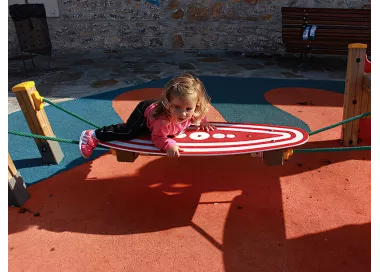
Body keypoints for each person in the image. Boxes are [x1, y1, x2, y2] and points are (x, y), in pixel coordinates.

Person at [79, 73, 215, 158]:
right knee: (130, 132)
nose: (183, 113)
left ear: (195, 106)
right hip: (145, 113)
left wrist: (204, 122)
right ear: (168, 103)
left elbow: (200, 114)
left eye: (188, 108)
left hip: (155, 114)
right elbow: (157, 138)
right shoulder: (164, 121)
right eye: (177, 107)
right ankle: (93, 135)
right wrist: (169, 145)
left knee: (146, 131)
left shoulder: (193, 111)